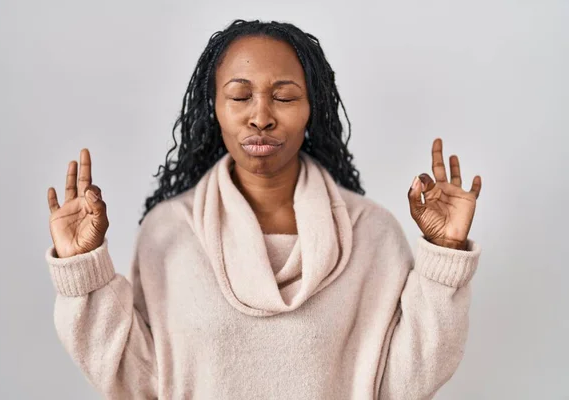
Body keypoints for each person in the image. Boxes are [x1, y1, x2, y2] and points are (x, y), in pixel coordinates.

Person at [45, 19, 483, 400]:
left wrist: (443, 256)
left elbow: (401, 385)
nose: (261, 117)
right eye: (239, 96)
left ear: (313, 109)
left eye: (285, 97)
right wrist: (82, 268)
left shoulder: (373, 233)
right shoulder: (168, 233)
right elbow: (137, 383)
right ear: (213, 108)